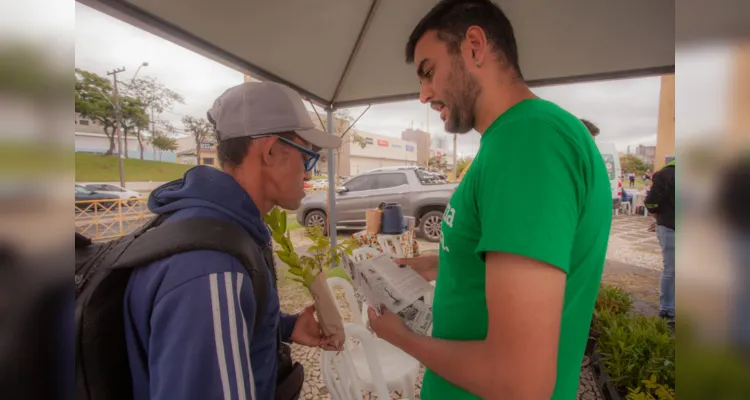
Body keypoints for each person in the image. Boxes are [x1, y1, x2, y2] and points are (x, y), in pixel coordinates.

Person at [370, 1, 612, 399]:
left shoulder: (530, 142)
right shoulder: (510, 140)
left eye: (428, 72)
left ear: (475, 46)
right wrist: (433, 263)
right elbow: (501, 259)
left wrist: (402, 338)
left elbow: (520, 383)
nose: (423, 94)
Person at [123, 81, 342, 400]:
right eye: (308, 158)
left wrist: (283, 326)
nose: (309, 174)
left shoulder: (224, 228)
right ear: (269, 151)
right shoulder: (210, 269)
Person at [645, 160, 676, 323]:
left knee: (671, 270)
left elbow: (651, 202)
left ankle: (668, 309)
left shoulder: (666, 173)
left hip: (669, 226)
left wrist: (658, 217)